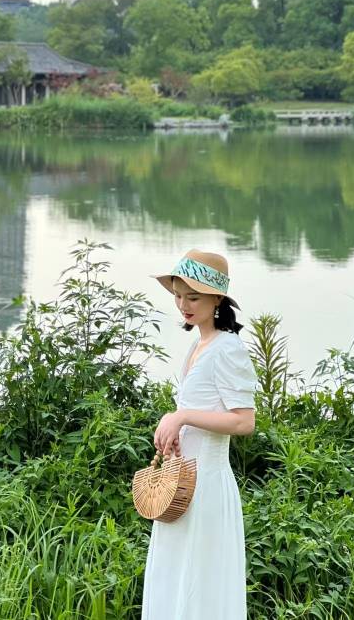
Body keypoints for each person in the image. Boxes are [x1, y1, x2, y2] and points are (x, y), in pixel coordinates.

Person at [141, 249, 258, 620]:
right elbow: (203, 413)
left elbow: (244, 422)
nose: (183, 305)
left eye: (193, 297)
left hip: (206, 488)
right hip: (182, 484)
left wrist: (183, 416)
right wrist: (178, 426)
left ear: (217, 299)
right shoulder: (199, 345)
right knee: (176, 579)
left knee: (202, 584)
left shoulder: (228, 349)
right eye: (178, 295)